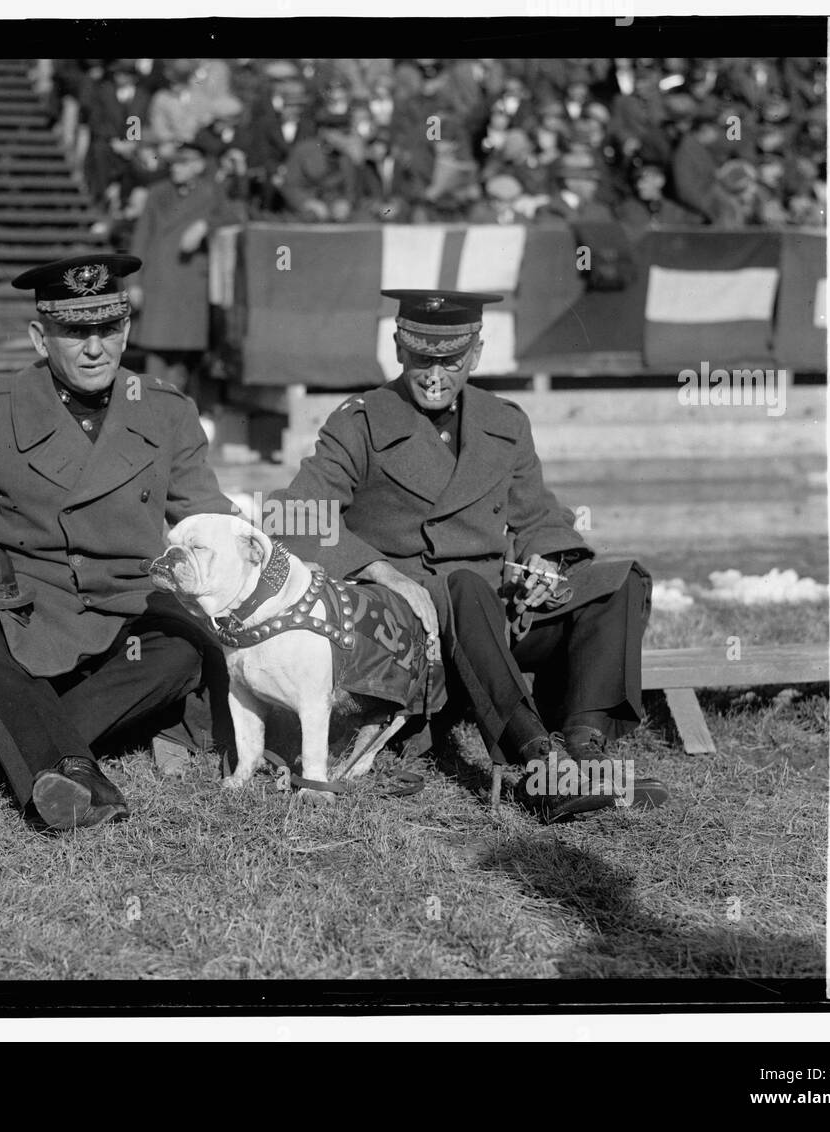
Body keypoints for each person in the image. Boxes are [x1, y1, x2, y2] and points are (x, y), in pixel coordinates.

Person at [269, 290, 669, 823]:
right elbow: (295, 513)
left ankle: (585, 747)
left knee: (620, 581)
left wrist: (545, 560)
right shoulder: (360, 422)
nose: (435, 374)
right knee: (465, 585)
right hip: (415, 624)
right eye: (421, 359)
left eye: (451, 360)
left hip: (496, 617)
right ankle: (535, 764)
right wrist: (379, 571)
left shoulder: (505, 422)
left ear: (475, 354)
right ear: (398, 350)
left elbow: (538, 516)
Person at [0, 251, 235, 832]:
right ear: (40, 336)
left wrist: (256, 575)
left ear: (127, 330)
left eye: (108, 328)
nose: (94, 347)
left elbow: (209, 519)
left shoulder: (166, 411)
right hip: (23, 614)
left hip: (125, 617)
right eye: (75, 332)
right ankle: (72, 774)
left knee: (182, 649)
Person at [127, 139, 242, 399]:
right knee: (155, 353)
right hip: (158, 280)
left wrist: (205, 225)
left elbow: (234, 216)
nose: (175, 169)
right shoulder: (157, 192)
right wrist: (133, 282)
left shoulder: (210, 192)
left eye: (183, 164)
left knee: (183, 357)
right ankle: (154, 411)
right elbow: (141, 238)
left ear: (198, 166)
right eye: (173, 164)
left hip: (190, 284)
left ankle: (175, 414)